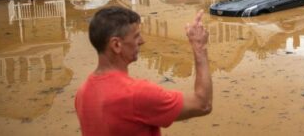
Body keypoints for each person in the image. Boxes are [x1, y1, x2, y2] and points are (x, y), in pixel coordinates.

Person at [75, 7, 212, 136]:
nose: (142, 41)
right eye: (136, 36)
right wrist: (199, 47)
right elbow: (202, 104)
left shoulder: (82, 92)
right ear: (116, 45)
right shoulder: (137, 93)